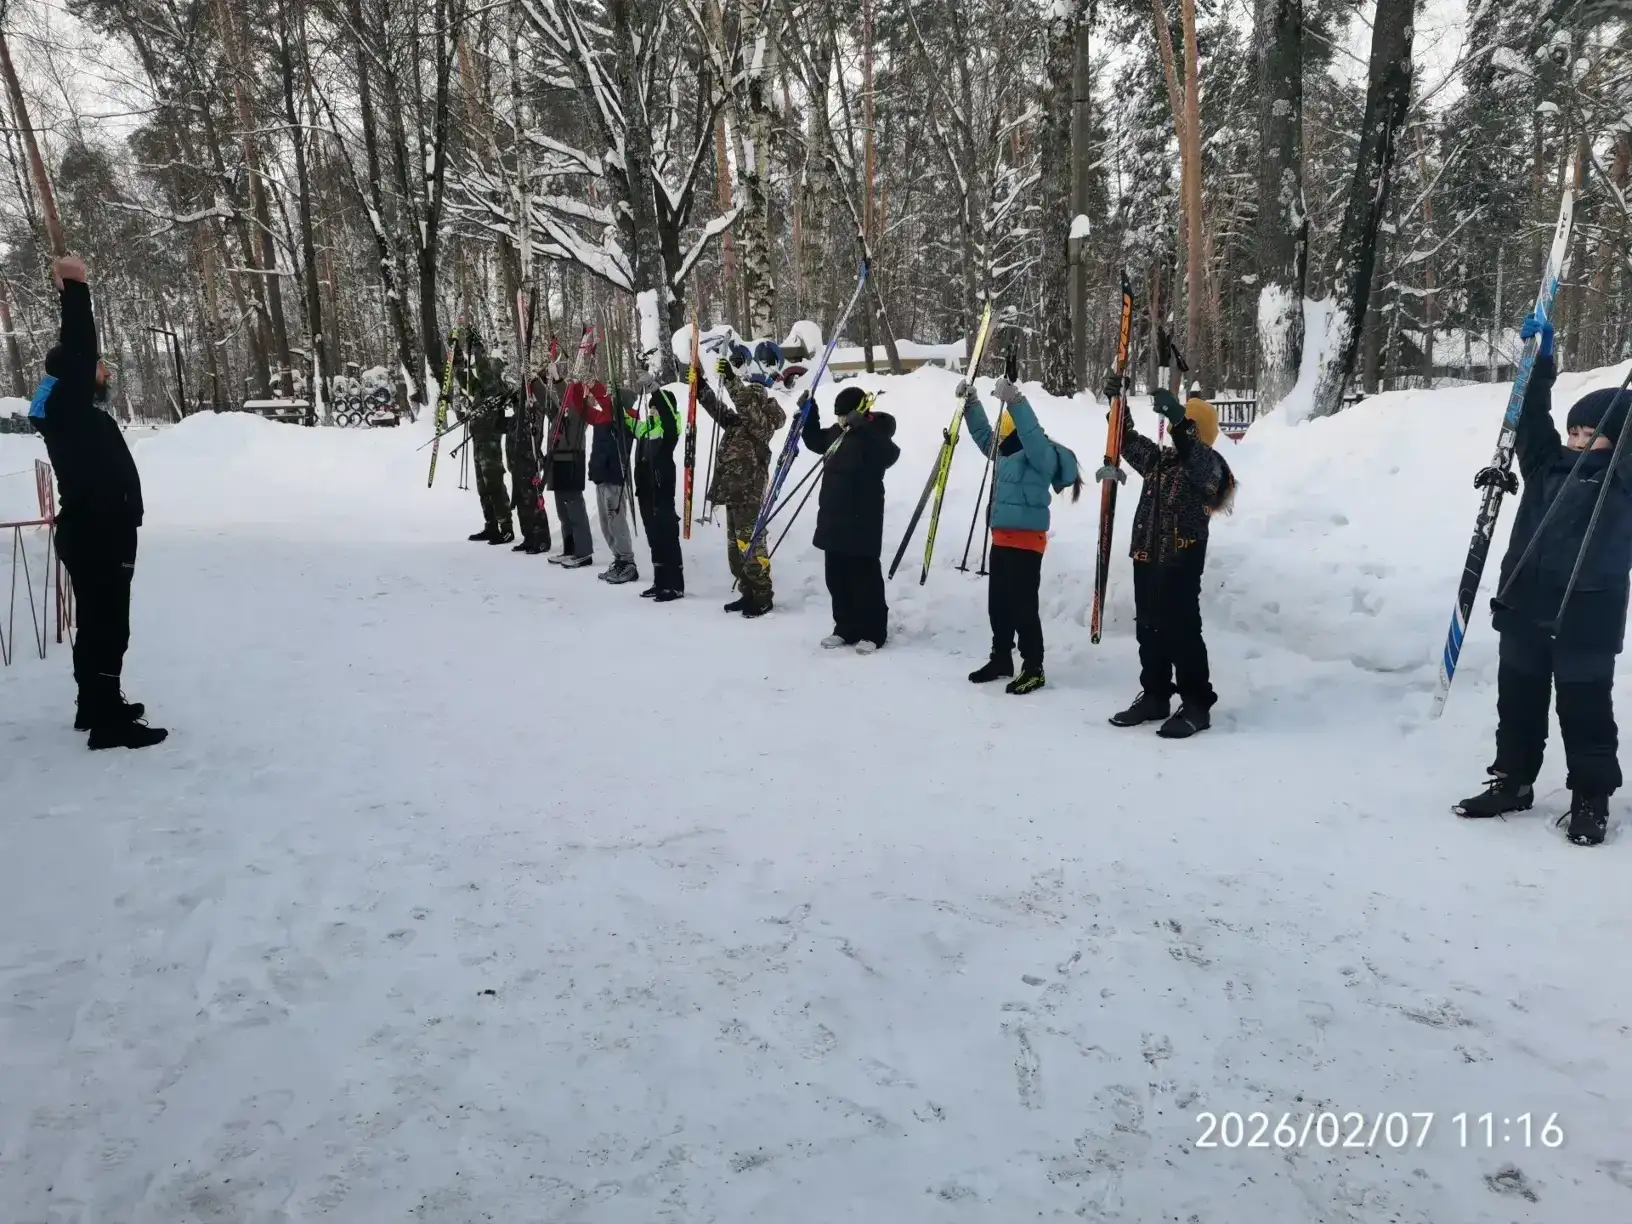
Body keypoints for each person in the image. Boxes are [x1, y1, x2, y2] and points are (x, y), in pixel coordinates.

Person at [1454, 313, 1632, 846]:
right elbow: (1531, 417)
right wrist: (1540, 363)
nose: (1577, 440)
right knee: (1518, 702)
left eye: (1591, 434)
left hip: (1587, 615)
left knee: (1585, 710)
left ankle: (1591, 799)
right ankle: (1513, 781)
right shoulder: (1546, 464)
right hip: (1524, 604)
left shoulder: (1623, 483)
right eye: (1575, 431)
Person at [29, 255, 167, 748]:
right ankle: (108, 723)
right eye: (98, 366)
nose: (104, 371)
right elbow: (80, 345)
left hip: (95, 530)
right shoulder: (68, 410)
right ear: (79, 371)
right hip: (98, 532)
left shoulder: (70, 413)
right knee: (109, 625)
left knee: (96, 622)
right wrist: (75, 288)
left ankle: (94, 704)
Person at [1107, 378, 1235, 739]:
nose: (1182, 430)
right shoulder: (1160, 460)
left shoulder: (1211, 466)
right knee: (1149, 628)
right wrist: (1118, 406)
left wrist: (1180, 421)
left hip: (1180, 559)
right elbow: (1125, 441)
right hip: (1147, 555)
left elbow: (1197, 458)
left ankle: (1196, 704)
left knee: (1181, 630)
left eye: (1188, 424)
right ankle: (1155, 694)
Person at [961, 376, 1081, 694]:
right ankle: (1001, 658)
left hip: (1027, 542)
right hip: (1001, 538)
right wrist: (971, 404)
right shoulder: (1004, 452)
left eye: (1005, 433)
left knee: (1023, 607)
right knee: (999, 605)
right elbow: (982, 435)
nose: (999, 440)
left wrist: (1016, 402)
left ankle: (1033, 667)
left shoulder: (1040, 454)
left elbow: (1031, 434)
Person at [801, 385, 900, 652]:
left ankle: (873, 632)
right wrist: (809, 413)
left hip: (862, 519)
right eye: (838, 416)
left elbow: (890, 454)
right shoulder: (837, 433)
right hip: (833, 516)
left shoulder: (875, 432)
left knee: (864, 579)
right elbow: (814, 441)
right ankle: (845, 627)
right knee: (836, 579)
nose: (841, 420)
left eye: (845, 415)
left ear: (859, 412)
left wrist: (863, 427)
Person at [697, 349, 787, 617]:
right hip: (732, 490)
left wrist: (732, 381)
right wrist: (700, 387)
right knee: (735, 549)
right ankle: (747, 591)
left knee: (750, 544)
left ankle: (762, 595)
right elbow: (718, 410)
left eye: (750, 400)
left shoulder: (764, 423)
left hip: (749, 492)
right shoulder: (739, 423)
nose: (745, 405)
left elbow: (747, 409)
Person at [632, 371, 684, 600]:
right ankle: (660, 580)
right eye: (651, 407)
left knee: (666, 535)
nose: (653, 410)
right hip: (645, 489)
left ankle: (674, 584)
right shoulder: (646, 429)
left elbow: (669, 417)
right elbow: (627, 420)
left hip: (661, 487)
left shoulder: (669, 429)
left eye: (656, 407)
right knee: (654, 536)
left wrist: (654, 389)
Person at [584, 382, 640, 584]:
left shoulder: (629, 418)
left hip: (615, 477)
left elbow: (609, 405)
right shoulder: (605, 417)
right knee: (605, 524)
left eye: (614, 398)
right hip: (601, 476)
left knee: (616, 522)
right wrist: (578, 388)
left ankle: (627, 561)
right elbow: (582, 409)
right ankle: (618, 559)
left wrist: (596, 386)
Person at [460, 334, 514, 545]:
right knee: (482, 486)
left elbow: (483, 372)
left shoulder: (496, 387)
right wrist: (456, 357)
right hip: (478, 440)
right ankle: (491, 525)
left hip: (490, 443)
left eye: (492, 366)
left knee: (494, 485)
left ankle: (506, 527)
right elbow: (465, 380)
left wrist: (477, 350)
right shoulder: (482, 390)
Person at [546, 371, 596, 568]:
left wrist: (561, 381)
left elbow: (572, 398)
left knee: (575, 510)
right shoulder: (563, 412)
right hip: (558, 461)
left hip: (573, 461)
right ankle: (570, 548)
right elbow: (549, 402)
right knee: (563, 511)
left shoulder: (580, 411)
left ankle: (583, 552)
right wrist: (536, 382)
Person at [508, 361, 553, 554]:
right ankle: (528, 536)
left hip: (530, 459)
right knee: (521, 501)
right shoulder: (519, 410)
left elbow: (536, 427)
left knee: (533, 501)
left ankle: (541, 538)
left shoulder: (537, 408)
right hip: (517, 460)